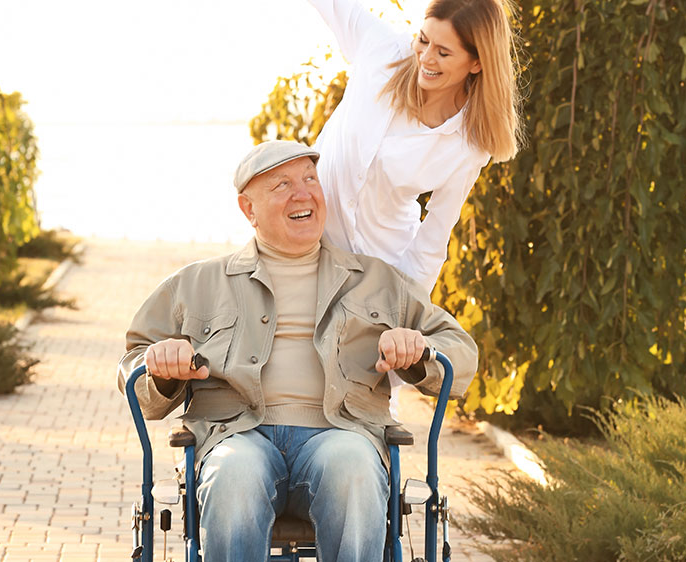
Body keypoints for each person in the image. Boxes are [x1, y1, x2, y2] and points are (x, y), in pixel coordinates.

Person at [117, 140, 478, 562]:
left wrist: (419, 351)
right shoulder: (196, 284)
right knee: (233, 473)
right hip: (234, 435)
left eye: (310, 179)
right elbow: (132, 365)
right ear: (247, 209)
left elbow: (461, 353)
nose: (303, 193)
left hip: (342, 433)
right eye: (281, 185)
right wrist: (160, 366)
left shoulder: (377, 281)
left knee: (354, 469)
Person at [306, 0, 524, 293]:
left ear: (477, 63)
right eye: (423, 40)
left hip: (380, 273)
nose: (425, 58)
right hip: (307, 250)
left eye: (443, 52)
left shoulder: (469, 144)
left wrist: (407, 312)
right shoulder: (381, 49)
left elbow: (434, 236)